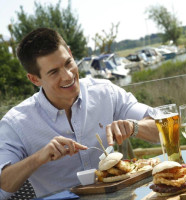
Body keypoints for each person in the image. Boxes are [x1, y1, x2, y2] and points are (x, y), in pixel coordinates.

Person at [0, 28, 159, 199]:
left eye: (68, 63)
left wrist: (134, 126)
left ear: (70, 52)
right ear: (34, 79)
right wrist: (39, 157)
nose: (68, 76)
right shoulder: (15, 123)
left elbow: (161, 130)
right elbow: (3, 187)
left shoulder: (105, 92)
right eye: (54, 72)